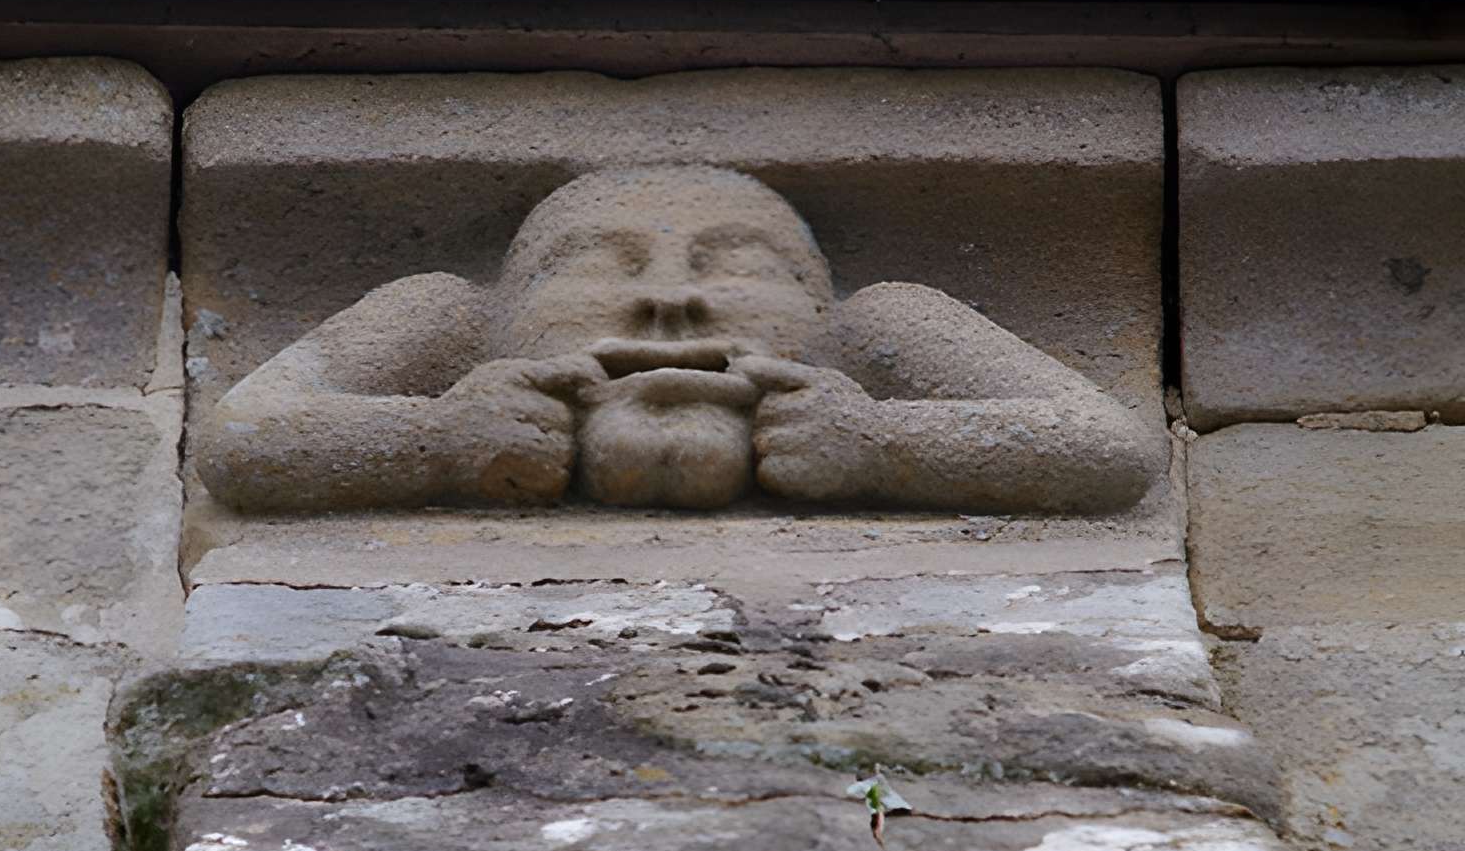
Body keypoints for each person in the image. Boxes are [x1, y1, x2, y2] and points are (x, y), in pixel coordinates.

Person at [195, 165, 1161, 515]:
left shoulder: (882, 328)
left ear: (826, 315)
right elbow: (242, 439)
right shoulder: (446, 315)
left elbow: (1107, 443)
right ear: (500, 313)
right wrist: (438, 438)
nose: (667, 300)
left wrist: (885, 445)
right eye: (596, 265)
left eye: (736, 262)